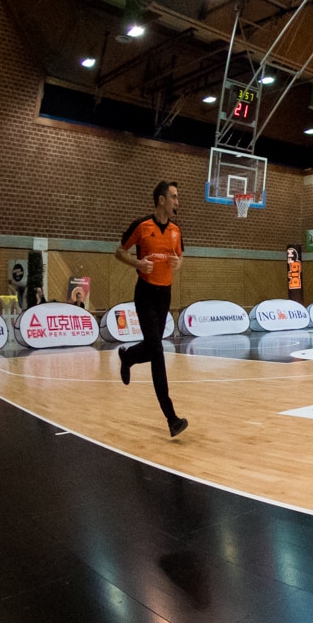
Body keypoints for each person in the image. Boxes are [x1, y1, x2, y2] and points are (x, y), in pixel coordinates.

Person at [114, 180, 188, 438]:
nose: (177, 202)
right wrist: (136, 262)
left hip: (164, 295)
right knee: (157, 351)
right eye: (174, 197)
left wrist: (177, 263)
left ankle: (129, 356)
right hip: (145, 293)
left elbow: (180, 258)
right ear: (161, 200)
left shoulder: (177, 230)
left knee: (153, 345)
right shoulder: (142, 226)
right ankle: (171, 418)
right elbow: (118, 252)